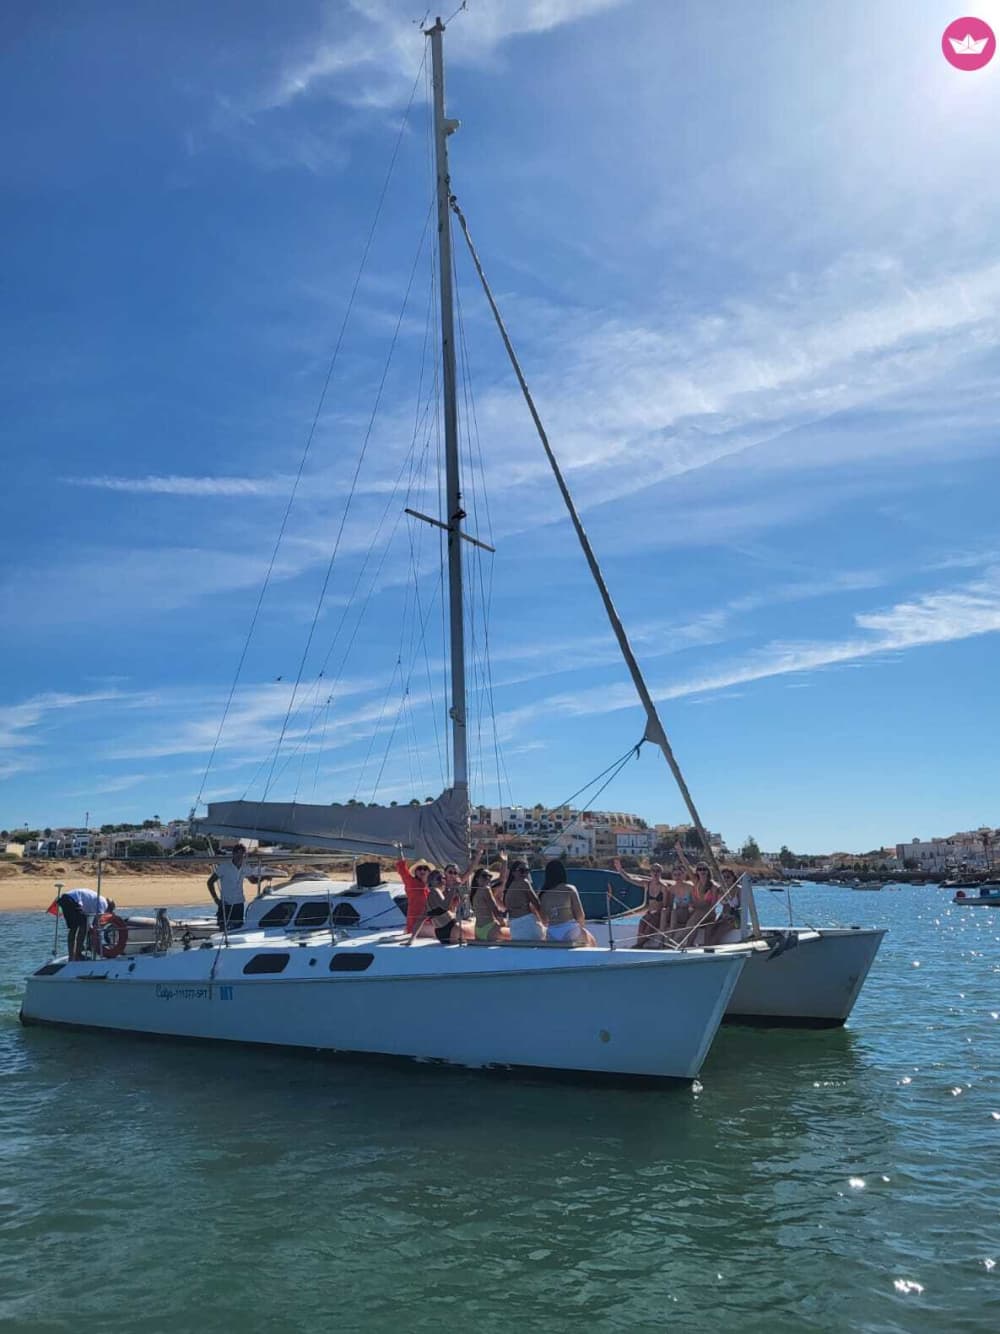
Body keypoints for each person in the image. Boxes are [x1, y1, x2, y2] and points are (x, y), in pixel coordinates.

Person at [613, 858, 672, 948]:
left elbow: (665, 905)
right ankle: (639, 944)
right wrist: (620, 870)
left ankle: (638, 945)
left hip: (658, 914)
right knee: (642, 923)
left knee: (649, 927)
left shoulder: (663, 887)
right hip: (649, 913)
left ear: (661, 873)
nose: (655, 873)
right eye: (653, 871)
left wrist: (656, 913)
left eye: (658, 871)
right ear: (650, 873)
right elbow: (630, 879)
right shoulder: (647, 884)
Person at [538, 860, 596, 946]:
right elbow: (580, 915)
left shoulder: (543, 894)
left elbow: (544, 920)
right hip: (570, 929)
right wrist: (582, 928)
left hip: (552, 932)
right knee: (592, 940)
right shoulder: (570, 889)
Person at [412, 869, 470, 944]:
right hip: (451, 928)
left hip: (440, 933)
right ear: (435, 880)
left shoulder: (431, 896)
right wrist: (454, 887)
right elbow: (445, 906)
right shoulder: (435, 890)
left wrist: (411, 940)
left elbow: (421, 919)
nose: (444, 880)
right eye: (443, 878)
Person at [57, 887, 116, 961]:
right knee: (83, 926)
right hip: (73, 900)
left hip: (65, 899)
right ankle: (78, 954)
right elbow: (97, 922)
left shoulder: (95, 901)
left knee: (73, 929)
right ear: (109, 907)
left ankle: (71, 956)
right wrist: (93, 932)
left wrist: (90, 928)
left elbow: (87, 918)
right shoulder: (104, 904)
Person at [207, 842, 249, 932]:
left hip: (239, 903)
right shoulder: (224, 866)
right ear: (233, 854)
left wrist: (264, 877)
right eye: (238, 854)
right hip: (225, 903)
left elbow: (253, 880)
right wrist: (216, 899)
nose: (240, 857)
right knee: (223, 929)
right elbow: (210, 882)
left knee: (238, 929)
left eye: (242, 855)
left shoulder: (245, 867)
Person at [394, 850, 437, 937]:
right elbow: (402, 868)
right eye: (419, 868)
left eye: (425, 869)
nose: (422, 871)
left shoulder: (433, 886)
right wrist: (399, 849)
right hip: (414, 926)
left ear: (429, 872)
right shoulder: (411, 882)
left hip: (429, 923)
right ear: (416, 872)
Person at [504, 861, 547, 942]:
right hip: (527, 922)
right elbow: (536, 903)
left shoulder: (509, 887)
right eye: (522, 870)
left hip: (514, 926)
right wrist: (544, 920)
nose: (525, 874)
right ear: (513, 872)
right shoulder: (524, 883)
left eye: (527, 871)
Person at [469, 860, 509, 942]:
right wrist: (503, 924)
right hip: (490, 928)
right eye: (484, 876)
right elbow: (495, 910)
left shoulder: (474, 893)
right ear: (477, 879)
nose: (487, 878)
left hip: (478, 930)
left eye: (489, 876)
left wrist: (504, 862)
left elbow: (501, 880)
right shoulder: (486, 889)